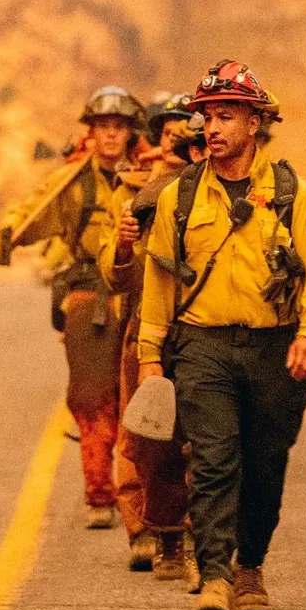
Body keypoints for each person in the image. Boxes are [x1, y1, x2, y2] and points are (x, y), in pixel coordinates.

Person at [137, 60, 306, 610]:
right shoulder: (179, 199)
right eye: (208, 117)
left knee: (265, 464)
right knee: (215, 461)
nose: (214, 128)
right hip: (202, 346)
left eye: (227, 115)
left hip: (277, 349)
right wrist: (151, 358)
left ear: (255, 122)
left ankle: (251, 563)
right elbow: (160, 282)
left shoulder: (295, 194)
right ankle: (217, 576)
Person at [0, 87, 148, 533]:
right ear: (91, 134)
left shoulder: (155, 178)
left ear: (131, 134)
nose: (111, 136)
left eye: (119, 128)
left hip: (144, 299)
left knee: (145, 400)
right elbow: (32, 208)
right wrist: (6, 233)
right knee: (92, 400)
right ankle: (100, 494)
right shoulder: (71, 184)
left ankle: (150, 501)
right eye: (102, 128)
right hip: (90, 300)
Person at [101, 93, 201, 583]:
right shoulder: (135, 196)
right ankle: (154, 532)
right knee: (146, 436)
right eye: (169, 132)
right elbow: (117, 280)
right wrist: (121, 249)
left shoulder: (223, 191)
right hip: (147, 327)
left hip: (206, 329)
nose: (178, 141)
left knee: (206, 439)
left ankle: (206, 535)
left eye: (189, 132)